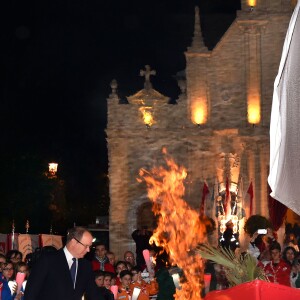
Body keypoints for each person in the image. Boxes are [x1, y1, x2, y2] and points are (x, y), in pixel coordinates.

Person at [24, 226, 103, 300]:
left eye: (89, 246)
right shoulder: (48, 260)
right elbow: (31, 292)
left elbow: (93, 294)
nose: (88, 250)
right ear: (73, 242)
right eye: (86, 246)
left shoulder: (86, 266)